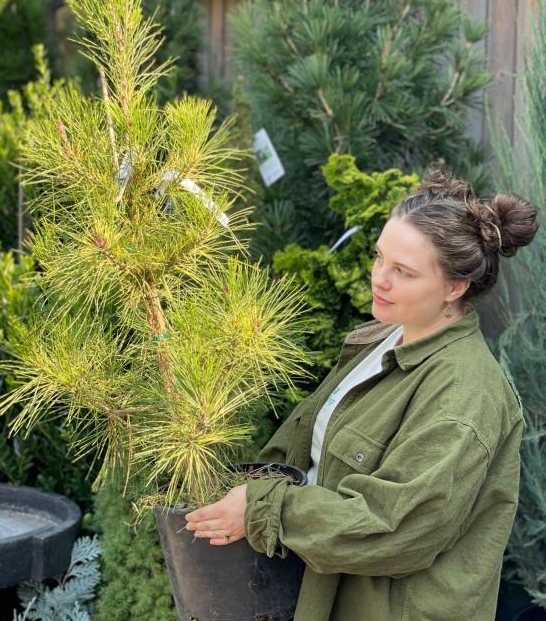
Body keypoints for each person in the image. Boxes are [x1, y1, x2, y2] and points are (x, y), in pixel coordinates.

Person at [185, 165, 540, 621]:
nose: (379, 279)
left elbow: (393, 528)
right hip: (320, 590)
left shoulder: (463, 397)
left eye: (403, 272)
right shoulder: (383, 339)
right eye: (379, 258)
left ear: (455, 287)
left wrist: (265, 508)